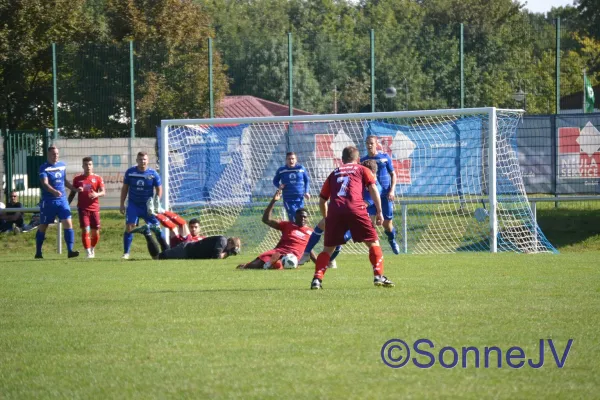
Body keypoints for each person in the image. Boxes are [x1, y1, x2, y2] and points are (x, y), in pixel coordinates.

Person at [310, 146, 395, 289]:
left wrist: (327, 218)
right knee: (373, 242)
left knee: (327, 249)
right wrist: (379, 211)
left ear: (342, 160)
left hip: (335, 211)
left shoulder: (334, 173)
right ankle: (378, 276)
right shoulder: (362, 169)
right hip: (356, 208)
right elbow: (373, 188)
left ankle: (317, 280)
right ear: (358, 159)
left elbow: (322, 199)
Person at [297, 159, 380, 267]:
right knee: (323, 223)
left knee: (341, 239)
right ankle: (307, 253)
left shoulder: (375, 185)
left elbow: (367, 202)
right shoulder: (357, 179)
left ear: (373, 172)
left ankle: (328, 261)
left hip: (362, 216)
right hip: (350, 211)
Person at [237, 187, 316, 270]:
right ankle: (262, 264)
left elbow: (310, 248)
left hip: (293, 256)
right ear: (295, 217)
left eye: (305, 217)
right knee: (254, 265)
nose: (303, 219)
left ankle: (274, 264)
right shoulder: (287, 225)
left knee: (284, 263)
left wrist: (319, 263)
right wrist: (273, 201)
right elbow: (266, 220)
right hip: (278, 252)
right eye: (300, 217)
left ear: (307, 218)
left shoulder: (310, 232)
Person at [35, 146, 81, 259]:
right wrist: (54, 191)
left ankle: (70, 251)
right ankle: (38, 252)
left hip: (62, 200)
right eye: (53, 154)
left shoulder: (62, 165)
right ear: (48, 155)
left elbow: (64, 181)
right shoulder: (43, 168)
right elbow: (44, 183)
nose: (55, 156)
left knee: (68, 223)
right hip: (48, 201)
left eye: (57, 154)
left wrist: (74, 188)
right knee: (43, 226)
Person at [120, 151, 164, 260]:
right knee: (130, 227)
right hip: (133, 205)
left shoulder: (153, 174)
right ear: (136, 160)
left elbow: (159, 189)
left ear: (148, 161)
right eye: (140, 159)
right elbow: (125, 188)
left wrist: (156, 203)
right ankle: (126, 253)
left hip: (147, 206)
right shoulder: (130, 172)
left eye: (144, 159)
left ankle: (166, 250)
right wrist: (121, 204)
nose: (142, 161)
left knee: (157, 228)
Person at [360, 135, 400, 254]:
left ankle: (392, 240)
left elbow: (393, 174)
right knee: (369, 223)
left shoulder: (384, 157)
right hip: (371, 195)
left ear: (376, 144)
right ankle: (375, 250)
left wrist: (392, 190)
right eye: (367, 143)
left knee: (387, 224)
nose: (369, 145)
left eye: (371, 143)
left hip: (385, 195)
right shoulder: (363, 161)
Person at [68, 157, 105, 258]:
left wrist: (96, 194)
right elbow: (72, 193)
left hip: (94, 209)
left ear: (92, 166)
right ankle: (88, 252)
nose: (88, 166)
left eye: (90, 164)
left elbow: (103, 192)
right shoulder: (77, 179)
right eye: (86, 164)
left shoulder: (98, 178)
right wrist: (76, 191)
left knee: (95, 233)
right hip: (83, 208)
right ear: (82, 166)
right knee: (85, 230)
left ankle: (92, 248)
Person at [143, 229, 241, 260]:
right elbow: (216, 257)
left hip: (187, 252)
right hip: (185, 251)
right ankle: (147, 233)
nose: (231, 250)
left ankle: (158, 233)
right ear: (230, 242)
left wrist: (228, 252)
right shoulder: (222, 241)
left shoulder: (224, 244)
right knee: (157, 258)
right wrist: (228, 253)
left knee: (165, 254)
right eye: (232, 248)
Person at [272, 152, 310, 221]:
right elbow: (275, 181)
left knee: (300, 217)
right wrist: (279, 186)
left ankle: (297, 231)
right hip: (288, 199)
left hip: (299, 198)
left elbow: (307, 180)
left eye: (293, 159)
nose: (291, 161)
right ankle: (292, 231)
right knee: (293, 216)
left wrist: (306, 192)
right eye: (289, 159)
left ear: (296, 160)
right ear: (286, 160)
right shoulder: (281, 170)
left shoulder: (301, 169)